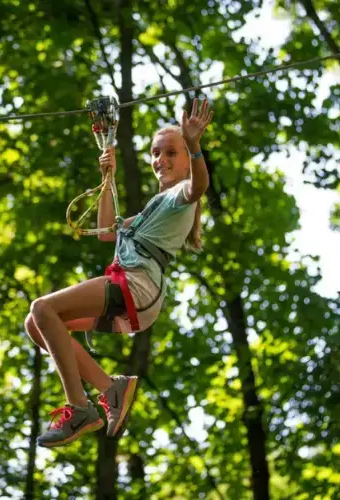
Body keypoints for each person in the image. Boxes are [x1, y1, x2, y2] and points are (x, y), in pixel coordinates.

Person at [23, 98, 214, 448]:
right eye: (157, 153)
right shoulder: (151, 211)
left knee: (42, 308)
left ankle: (79, 408)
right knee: (38, 326)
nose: (162, 159)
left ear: (187, 161)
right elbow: (106, 231)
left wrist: (195, 145)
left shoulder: (179, 197)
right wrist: (106, 176)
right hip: (136, 293)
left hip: (136, 285)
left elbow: (199, 186)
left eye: (172, 152)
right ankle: (111, 389)